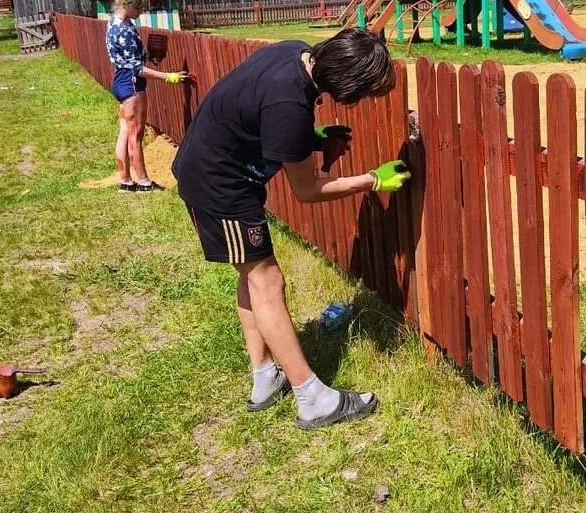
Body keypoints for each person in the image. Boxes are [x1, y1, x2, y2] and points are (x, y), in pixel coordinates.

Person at [172, 28, 411, 430]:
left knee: (253, 276)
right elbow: (307, 190)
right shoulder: (289, 105)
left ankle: (266, 378)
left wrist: (310, 139)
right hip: (219, 187)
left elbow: (259, 114)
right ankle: (312, 398)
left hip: (208, 169)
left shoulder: (296, 53)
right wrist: (371, 180)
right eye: (366, 91)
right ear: (348, 83)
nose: (364, 100)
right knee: (268, 283)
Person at [105, 0, 188, 193]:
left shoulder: (115, 22)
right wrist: (167, 76)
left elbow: (127, 58)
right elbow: (137, 68)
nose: (140, 13)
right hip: (132, 84)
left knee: (125, 132)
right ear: (125, 4)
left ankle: (125, 181)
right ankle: (143, 182)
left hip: (120, 79)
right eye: (138, 9)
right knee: (136, 135)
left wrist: (148, 55)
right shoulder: (125, 30)